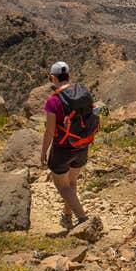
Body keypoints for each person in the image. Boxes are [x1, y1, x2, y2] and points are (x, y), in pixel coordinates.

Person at [41, 61, 96, 230]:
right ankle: (67, 216)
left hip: (62, 149)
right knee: (72, 182)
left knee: (63, 186)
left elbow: (50, 131)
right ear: (69, 76)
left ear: (52, 78)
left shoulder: (53, 100)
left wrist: (43, 152)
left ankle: (83, 220)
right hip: (82, 145)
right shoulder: (82, 92)